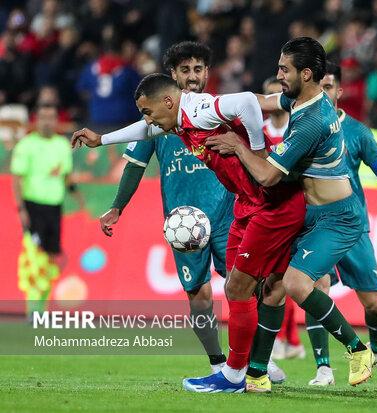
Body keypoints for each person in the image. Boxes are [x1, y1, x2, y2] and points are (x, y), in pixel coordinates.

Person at [71, 74, 306, 394]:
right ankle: (244, 372)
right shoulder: (177, 119)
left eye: (148, 111)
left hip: (269, 203)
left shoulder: (199, 110)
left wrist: (257, 150)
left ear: (168, 101)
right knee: (241, 288)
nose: (147, 119)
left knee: (269, 287)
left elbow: (247, 101)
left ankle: (251, 370)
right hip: (248, 202)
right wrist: (102, 139)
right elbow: (146, 130)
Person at [207, 37, 375, 388]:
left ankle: (358, 349)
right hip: (310, 214)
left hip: (337, 218)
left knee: (297, 284)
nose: (279, 75)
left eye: (284, 70)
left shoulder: (312, 120)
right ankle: (257, 374)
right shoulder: (301, 99)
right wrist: (207, 104)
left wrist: (238, 146)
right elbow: (260, 100)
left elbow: (268, 176)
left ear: (307, 73)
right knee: (272, 289)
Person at [98, 41, 233, 374]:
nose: (192, 76)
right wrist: (117, 207)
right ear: (173, 75)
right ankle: (217, 364)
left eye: (198, 69)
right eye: (185, 70)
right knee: (199, 297)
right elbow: (134, 166)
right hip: (183, 225)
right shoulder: (155, 120)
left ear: (207, 72)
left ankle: (254, 361)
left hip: (227, 216)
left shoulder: (221, 111)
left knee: (243, 287)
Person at [302, 62, 377, 387]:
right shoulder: (302, 128)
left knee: (374, 304)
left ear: (339, 91)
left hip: (351, 226)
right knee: (314, 288)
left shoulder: (357, 131)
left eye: (329, 87)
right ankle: (323, 368)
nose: (323, 93)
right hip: (316, 224)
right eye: (318, 87)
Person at [11, 104, 81, 316]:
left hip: (54, 207)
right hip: (33, 206)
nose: (47, 122)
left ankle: (42, 308)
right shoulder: (26, 145)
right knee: (35, 257)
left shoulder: (62, 145)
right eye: (43, 118)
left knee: (51, 258)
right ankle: (32, 309)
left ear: (56, 121)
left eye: (51, 118)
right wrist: (21, 209)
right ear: (36, 120)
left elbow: (66, 176)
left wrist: (79, 199)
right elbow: (17, 178)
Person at [261, 76, 306, 361]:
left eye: (279, 94)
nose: (274, 100)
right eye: (269, 95)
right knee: (274, 278)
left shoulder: (298, 129)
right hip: (266, 210)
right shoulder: (258, 131)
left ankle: (282, 339)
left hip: (294, 211)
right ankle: (291, 340)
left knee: (284, 278)